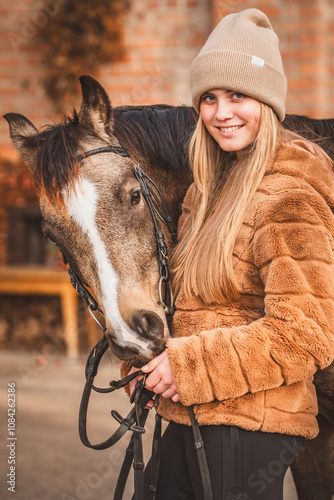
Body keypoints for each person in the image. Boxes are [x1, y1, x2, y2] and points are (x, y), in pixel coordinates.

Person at [127, 8, 334, 499]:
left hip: (253, 425)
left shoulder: (289, 196)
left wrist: (188, 367)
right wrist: (153, 363)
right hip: (192, 411)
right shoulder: (205, 193)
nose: (222, 113)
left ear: (270, 102)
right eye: (210, 98)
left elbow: (306, 335)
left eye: (239, 95)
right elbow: (198, 311)